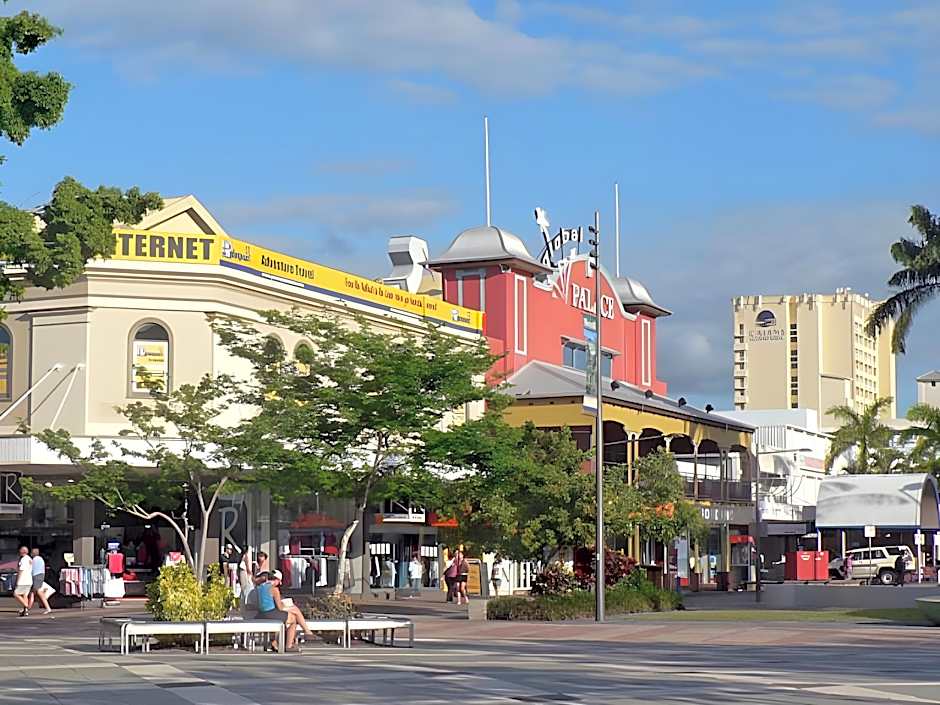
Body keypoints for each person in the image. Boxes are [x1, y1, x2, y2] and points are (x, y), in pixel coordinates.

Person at [255, 570, 314, 652]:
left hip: (261, 614)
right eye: (279, 581)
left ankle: (276, 642)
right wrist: (287, 605)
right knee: (293, 619)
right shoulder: (274, 589)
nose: (280, 584)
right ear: (276, 580)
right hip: (270, 613)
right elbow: (280, 607)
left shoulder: (260, 587)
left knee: (288, 616)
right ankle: (290, 644)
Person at [28, 548, 52, 615]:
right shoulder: (40, 559)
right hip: (40, 575)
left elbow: (31, 569)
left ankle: (48, 608)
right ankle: (27, 608)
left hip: (36, 576)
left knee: (38, 592)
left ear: (33, 553)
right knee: (32, 592)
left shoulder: (34, 560)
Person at [13, 546, 32, 617]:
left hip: (23, 580)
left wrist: (17, 580)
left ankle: (26, 605)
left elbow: (21, 570)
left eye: (20, 550)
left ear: (22, 551)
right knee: (25, 595)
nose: (19, 551)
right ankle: (25, 611)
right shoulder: (29, 559)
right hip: (29, 580)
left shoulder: (23, 559)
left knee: (16, 594)